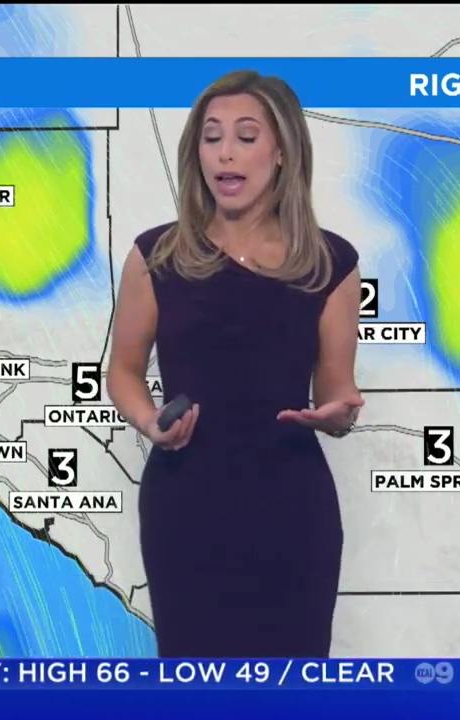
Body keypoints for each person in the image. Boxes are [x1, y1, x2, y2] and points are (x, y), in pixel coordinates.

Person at [105, 70, 363, 658]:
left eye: (246, 136)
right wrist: (148, 421)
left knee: (292, 683)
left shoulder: (331, 263)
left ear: (282, 152)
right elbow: (122, 371)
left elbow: (337, 393)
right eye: (211, 136)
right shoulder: (156, 256)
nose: (225, 152)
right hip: (186, 507)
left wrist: (337, 416)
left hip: (291, 509)